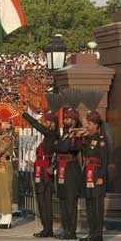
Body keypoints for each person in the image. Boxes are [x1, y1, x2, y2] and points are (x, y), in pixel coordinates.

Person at [22, 93, 63, 238]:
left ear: (53, 123)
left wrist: (24, 114)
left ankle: (48, 229)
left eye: (48, 122)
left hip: (45, 171)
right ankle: (46, 227)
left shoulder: (52, 135)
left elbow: (37, 125)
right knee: (40, 199)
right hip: (39, 168)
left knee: (45, 200)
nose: (46, 124)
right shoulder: (48, 137)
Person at [78, 90, 108, 241]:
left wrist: (101, 176)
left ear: (96, 125)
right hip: (88, 173)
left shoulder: (101, 139)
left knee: (97, 205)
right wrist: (80, 137)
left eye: (89, 124)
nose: (87, 126)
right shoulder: (89, 139)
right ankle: (92, 233)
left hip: (97, 174)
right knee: (89, 204)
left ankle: (98, 235)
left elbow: (104, 159)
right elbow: (83, 152)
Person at [55, 89, 83, 240]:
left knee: (71, 201)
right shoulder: (65, 133)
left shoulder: (78, 133)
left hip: (71, 169)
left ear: (74, 120)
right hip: (61, 168)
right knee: (63, 199)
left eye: (68, 118)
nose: (65, 120)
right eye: (65, 118)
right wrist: (59, 145)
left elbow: (69, 148)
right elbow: (57, 147)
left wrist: (60, 145)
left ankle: (71, 231)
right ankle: (65, 228)